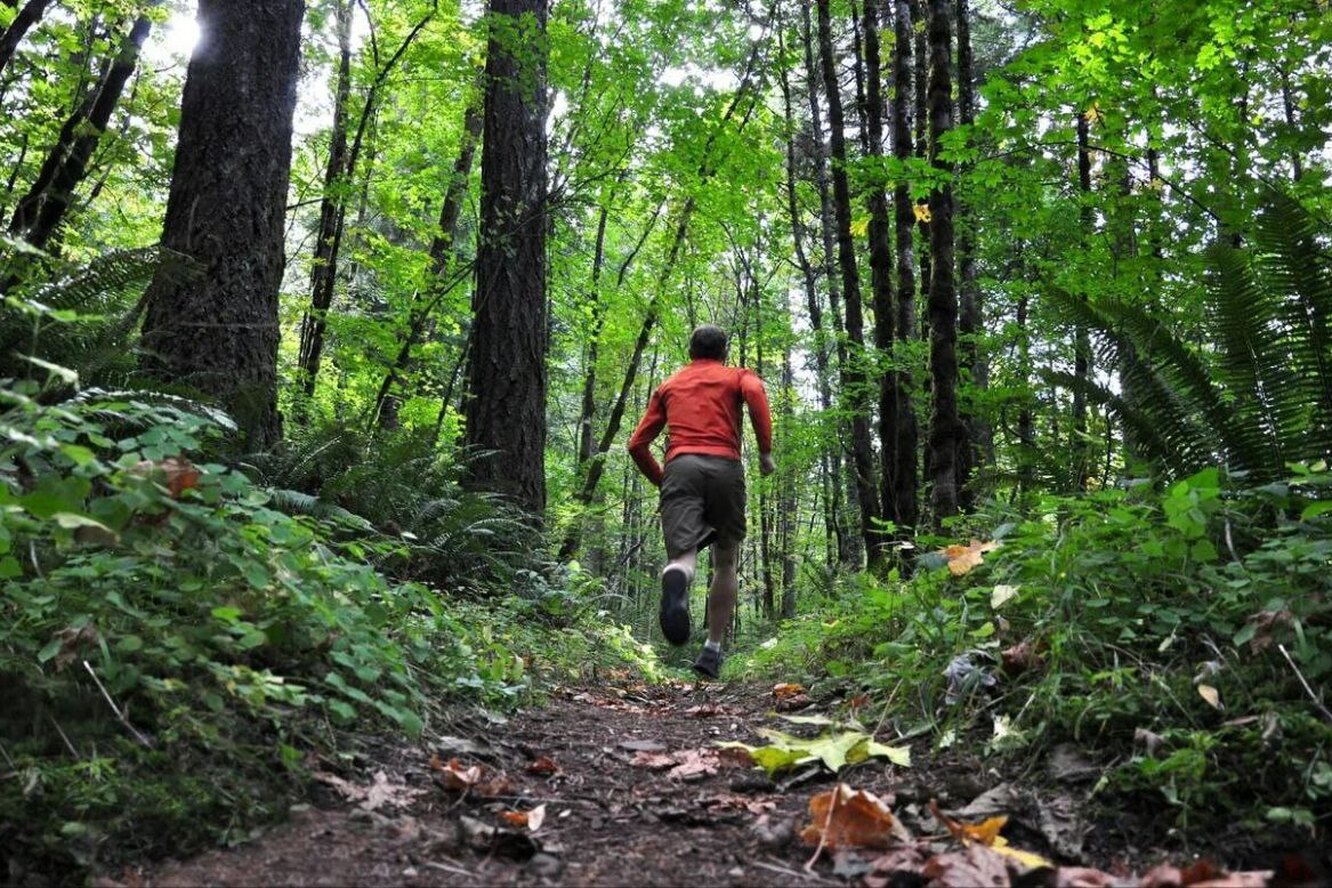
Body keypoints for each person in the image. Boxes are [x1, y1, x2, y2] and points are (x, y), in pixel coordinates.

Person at [627, 324, 774, 679]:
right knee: (726, 561)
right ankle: (712, 650)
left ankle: (676, 578)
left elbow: (636, 444)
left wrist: (665, 482)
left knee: (682, 556)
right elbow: (755, 392)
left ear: (691, 351)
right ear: (724, 351)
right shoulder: (737, 376)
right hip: (725, 466)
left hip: (681, 466)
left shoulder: (670, 384)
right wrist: (765, 452)